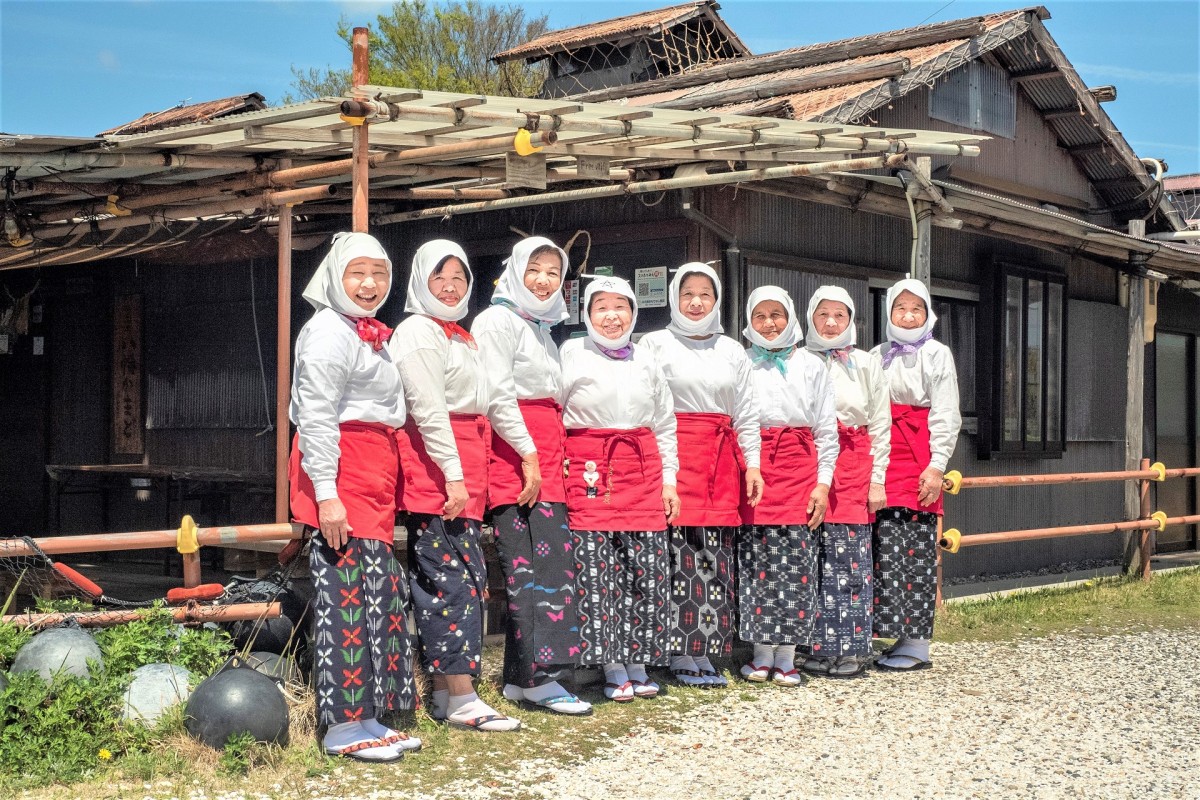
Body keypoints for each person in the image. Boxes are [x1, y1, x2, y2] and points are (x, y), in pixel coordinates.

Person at [288, 232, 420, 762]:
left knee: (378, 597)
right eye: (357, 273)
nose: (369, 284)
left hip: (374, 472)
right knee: (343, 600)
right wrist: (327, 494)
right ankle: (341, 726)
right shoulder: (326, 331)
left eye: (379, 273)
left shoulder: (368, 333)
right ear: (335, 276)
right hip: (340, 471)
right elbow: (317, 413)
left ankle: (369, 714)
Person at [388, 239, 520, 732]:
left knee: (466, 578)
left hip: (463, 461)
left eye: (458, 278)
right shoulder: (418, 332)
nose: (449, 286)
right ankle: (462, 695)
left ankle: (448, 693)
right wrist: (454, 475)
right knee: (450, 585)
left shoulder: (458, 334)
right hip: (438, 465)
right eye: (439, 277)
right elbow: (426, 409)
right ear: (420, 280)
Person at [472, 237, 591, 716]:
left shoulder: (541, 328)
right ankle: (540, 677)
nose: (543, 280)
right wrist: (528, 454)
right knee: (529, 568)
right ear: (515, 271)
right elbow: (498, 395)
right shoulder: (497, 321)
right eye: (534, 270)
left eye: (552, 273)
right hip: (514, 454)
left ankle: (525, 678)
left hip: (542, 452)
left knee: (551, 564)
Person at [642, 263, 762, 687]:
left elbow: (747, 412)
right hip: (673, 452)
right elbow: (649, 405)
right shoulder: (654, 344)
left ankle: (706, 650)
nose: (695, 302)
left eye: (705, 295)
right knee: (678, 552)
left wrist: (753, 464)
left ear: (717, 301)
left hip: (720, 458)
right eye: (687, 293)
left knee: (715, 552)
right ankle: (678, 652)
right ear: (674, 297)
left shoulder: (731, 349)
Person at [560, 276, 680, 702]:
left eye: (620, 307)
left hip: (642, 467)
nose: (611, 316)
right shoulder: (572, 354)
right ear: (588, 315)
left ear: (634, 312)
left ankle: (640, 660)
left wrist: (669, 480)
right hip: (592, 468)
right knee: (598, 572)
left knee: (645, 570)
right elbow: (557, 416)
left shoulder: (645, 359)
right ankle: (612, 664)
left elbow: (665, 423)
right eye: (601, 308)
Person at [737, 286, 839, 686]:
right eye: (760, 315)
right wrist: (751, 464)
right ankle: (761, 655)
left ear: (791, 316)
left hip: (800, 464)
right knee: (758, 561)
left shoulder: (812, 365)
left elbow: (827, 430)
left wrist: (823, 484)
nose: (769, 323)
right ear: (749, 320)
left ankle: (788, 656)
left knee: (797, 561)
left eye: (776, 314)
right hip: (755, 465)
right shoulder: (742, 362)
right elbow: (740, 420)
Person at [870, 278, 961, 671]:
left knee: (916, 548)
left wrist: (937, 465)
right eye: (900, 308)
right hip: (883, 453)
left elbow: (946, 412)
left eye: (916, 309)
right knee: (883, 545)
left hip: (919, 453)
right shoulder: (877, 355)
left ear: (928, 314)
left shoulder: (938, 354)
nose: (908, 315)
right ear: (889, 312)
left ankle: (918, 642)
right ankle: (896, 634)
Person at [801, 285, 891, 679]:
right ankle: (817, 647)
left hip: (854, 459)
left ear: (851, 320)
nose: (831, 322)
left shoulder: (866, 363)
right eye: (824, 314)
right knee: (813, 555)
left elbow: (881, 423)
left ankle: (852, 649)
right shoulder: (798, 358)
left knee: (850, 558)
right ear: (811, 317)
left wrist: (877, 479)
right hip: (808, 461)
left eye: (840, 314)